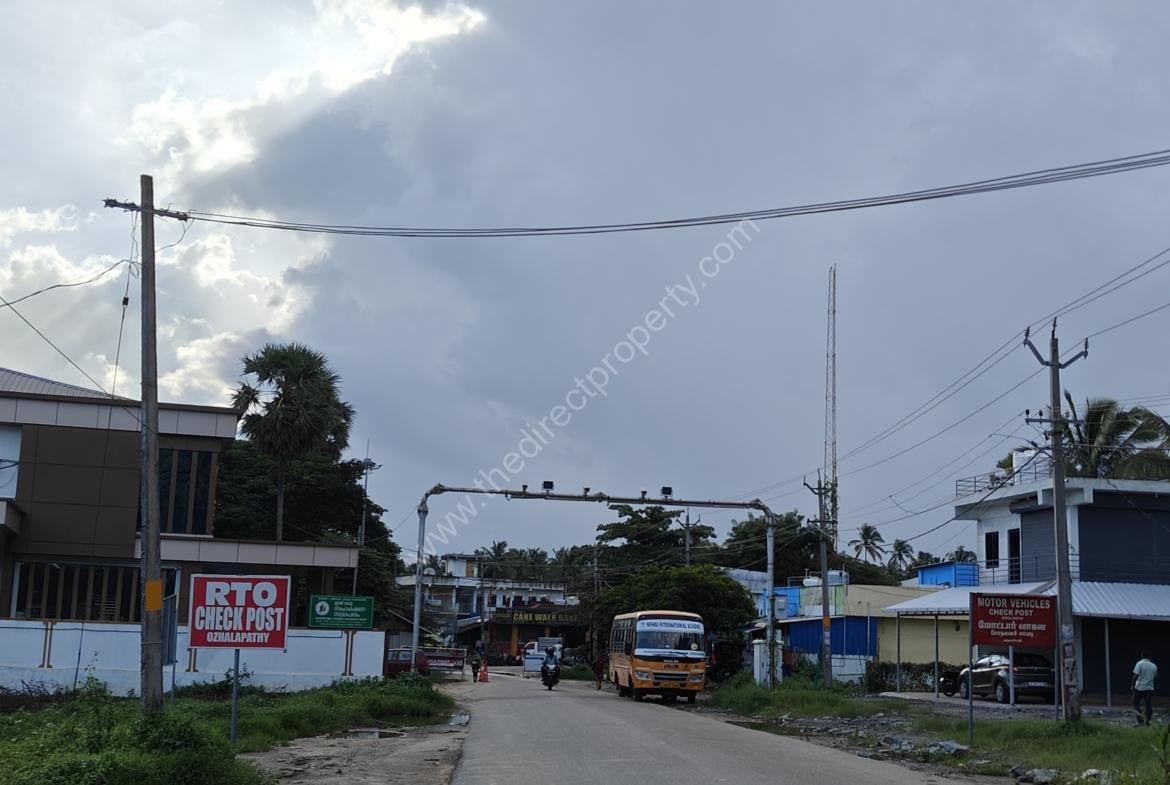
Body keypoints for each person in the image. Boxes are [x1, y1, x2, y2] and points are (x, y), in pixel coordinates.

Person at [1132, 651, 1158, 725]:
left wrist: (1132, 684)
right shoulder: (1154, 666)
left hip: (1139, 688)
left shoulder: (1139, 663)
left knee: (1136, 704)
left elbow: (1136, 675)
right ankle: (1148, 722)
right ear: (1149, 657)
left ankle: (1140, 721)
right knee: (1148, 706)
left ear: (1141, 656)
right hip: (1149, 689)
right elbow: (1155, 676)